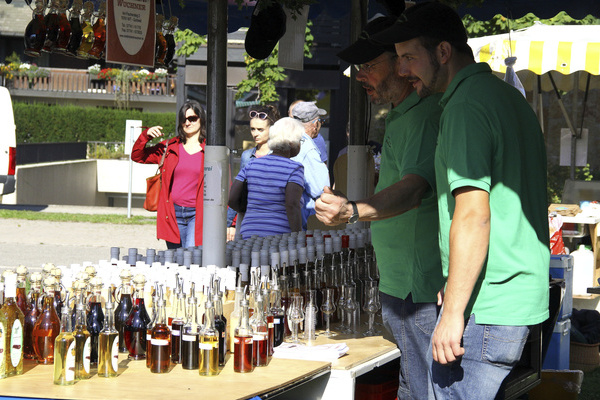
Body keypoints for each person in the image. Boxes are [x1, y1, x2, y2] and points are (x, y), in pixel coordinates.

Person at [373, 3, 550, 398]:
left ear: (442, 52)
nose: (402, 70)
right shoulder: (506, 97)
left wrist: (452, 311)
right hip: (511, 298)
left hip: (489, 308)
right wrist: (455, 284)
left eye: (409, 58)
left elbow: (473, 215)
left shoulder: (465, 106)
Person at [315, 15, 444, 400]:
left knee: (423, 390)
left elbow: (412, 190)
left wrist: (353, 210)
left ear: (403, 63)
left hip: (416, 289)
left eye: (370, 66)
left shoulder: (423, 114)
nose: (360, 76)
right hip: (402, 285)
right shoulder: (405, 115)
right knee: (411, 384)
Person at [132, 100, 206, 249]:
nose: (187, 123)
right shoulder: (170, 147)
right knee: (176, 260)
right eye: (183, 119)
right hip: (172, 213)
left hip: (197, 214)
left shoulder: (209, 149)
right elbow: (137, 156)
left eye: (192, 118)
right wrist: (146, 136)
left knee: (191, 257)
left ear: (201, 120)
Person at [228, 117, 304, 239]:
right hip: (279, 235)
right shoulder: (294, 168)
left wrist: (249, 212)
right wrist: (298, 235)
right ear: (291, 143)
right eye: (300, 140)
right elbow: (292, 205)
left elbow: (231, 199)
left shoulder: (252, 164)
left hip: (249, 233)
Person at [227, 105, 281, 241]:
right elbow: (239, 190)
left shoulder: (279, 156)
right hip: (247, 215)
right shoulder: (247, 156)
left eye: (260, 129)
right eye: (253, 129)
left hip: (271, 218)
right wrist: (229, 223)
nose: (255, 133)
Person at [290, 101, 330, 230]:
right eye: (320, 121)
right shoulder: (307, 148)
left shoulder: (284, 141)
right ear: (314, 123)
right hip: (303, 221)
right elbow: (321, 189)